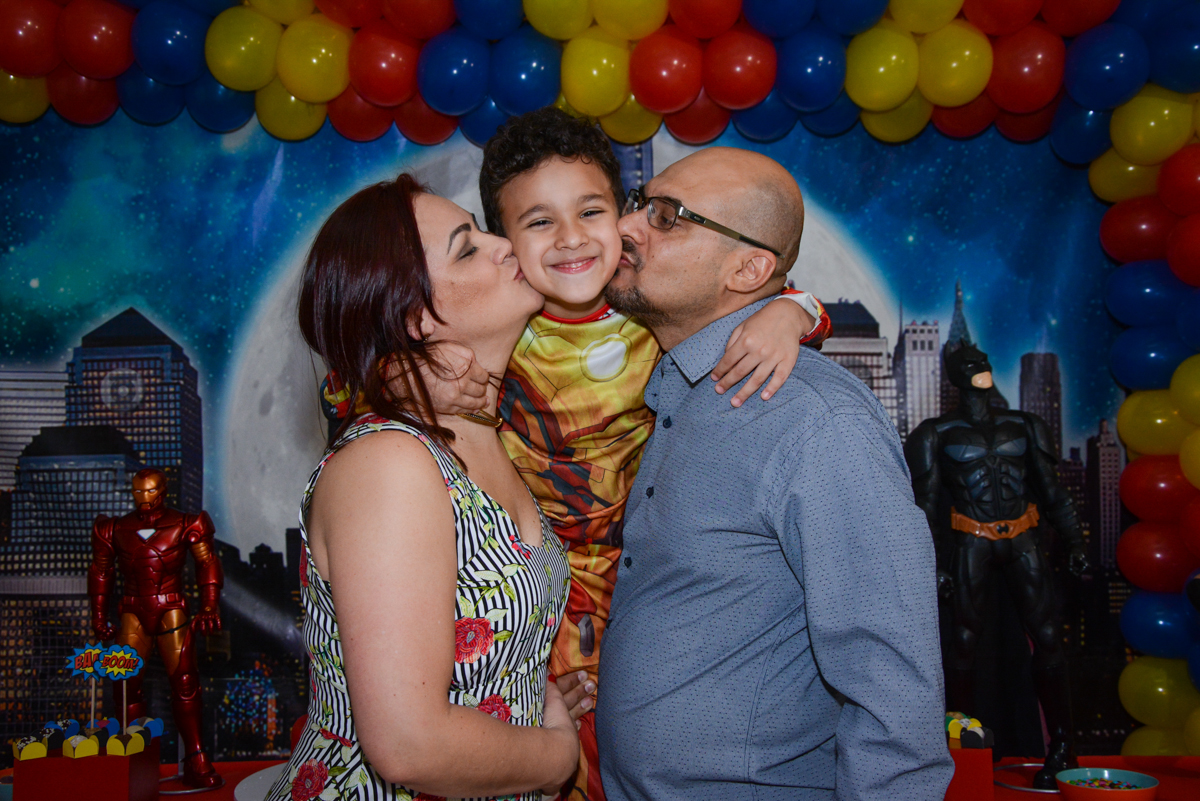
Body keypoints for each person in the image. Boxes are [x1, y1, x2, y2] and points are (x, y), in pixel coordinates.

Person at [475, 108, 831, 801]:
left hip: (648, 578)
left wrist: (791, 313)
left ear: (622, 216)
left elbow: (775, 288)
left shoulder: (652, 304)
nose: (572, 237)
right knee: (553, 749)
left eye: (591, 211)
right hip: (535, 586)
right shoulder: (496, 320)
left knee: (638, 742)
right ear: (503, 243)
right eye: (539, 221)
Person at [594, 147, 953, 800]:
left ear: (749, 269)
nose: (626, 225)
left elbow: (893, 690)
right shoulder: (684, 393)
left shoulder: (818, 422)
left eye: (667, 216)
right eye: (639, 204)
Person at [266, 175, 593, 801]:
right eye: (467, 249)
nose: (504, 244)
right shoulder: (390, 462)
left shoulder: (484, 436)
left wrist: (526, 697)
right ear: (415, 319)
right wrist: (555, 755)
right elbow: (408, 745)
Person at [905, 343, 1088, 789]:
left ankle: (1063, 746)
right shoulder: (934, 434)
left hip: (1023, 536)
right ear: (953, 375)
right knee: (962, 643)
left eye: (983, 360)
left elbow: (1053, 491)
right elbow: (924, 508)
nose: (979, 366)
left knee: (1048, 638)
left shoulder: (1025, 426)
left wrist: (1075, 540)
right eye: (968, 363)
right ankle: (960, 750)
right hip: (970, 539)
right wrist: (932, 565)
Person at [89, 467, 223, 788]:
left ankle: (195, 757)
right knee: (124, 685)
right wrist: (98, 614)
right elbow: (101, 570)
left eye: (150, 491)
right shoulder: (114, 528)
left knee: (185, 682)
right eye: (138, 492)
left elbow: (207, 562)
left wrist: (209, 604)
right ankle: (130, 759)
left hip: (171, 609)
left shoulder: (186, 523)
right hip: (132, 610)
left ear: (163, 491)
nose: (144, 499)